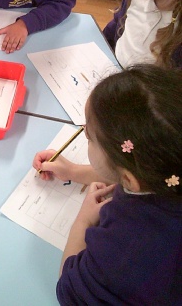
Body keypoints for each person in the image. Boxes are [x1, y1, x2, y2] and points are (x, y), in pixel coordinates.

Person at [38, 65, 182, 304]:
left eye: (89, 137)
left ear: (129, 179)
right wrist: (74, 171)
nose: (83, 131)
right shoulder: (167, 167)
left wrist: (83, 221)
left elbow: (70, 290)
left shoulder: (127, 252)